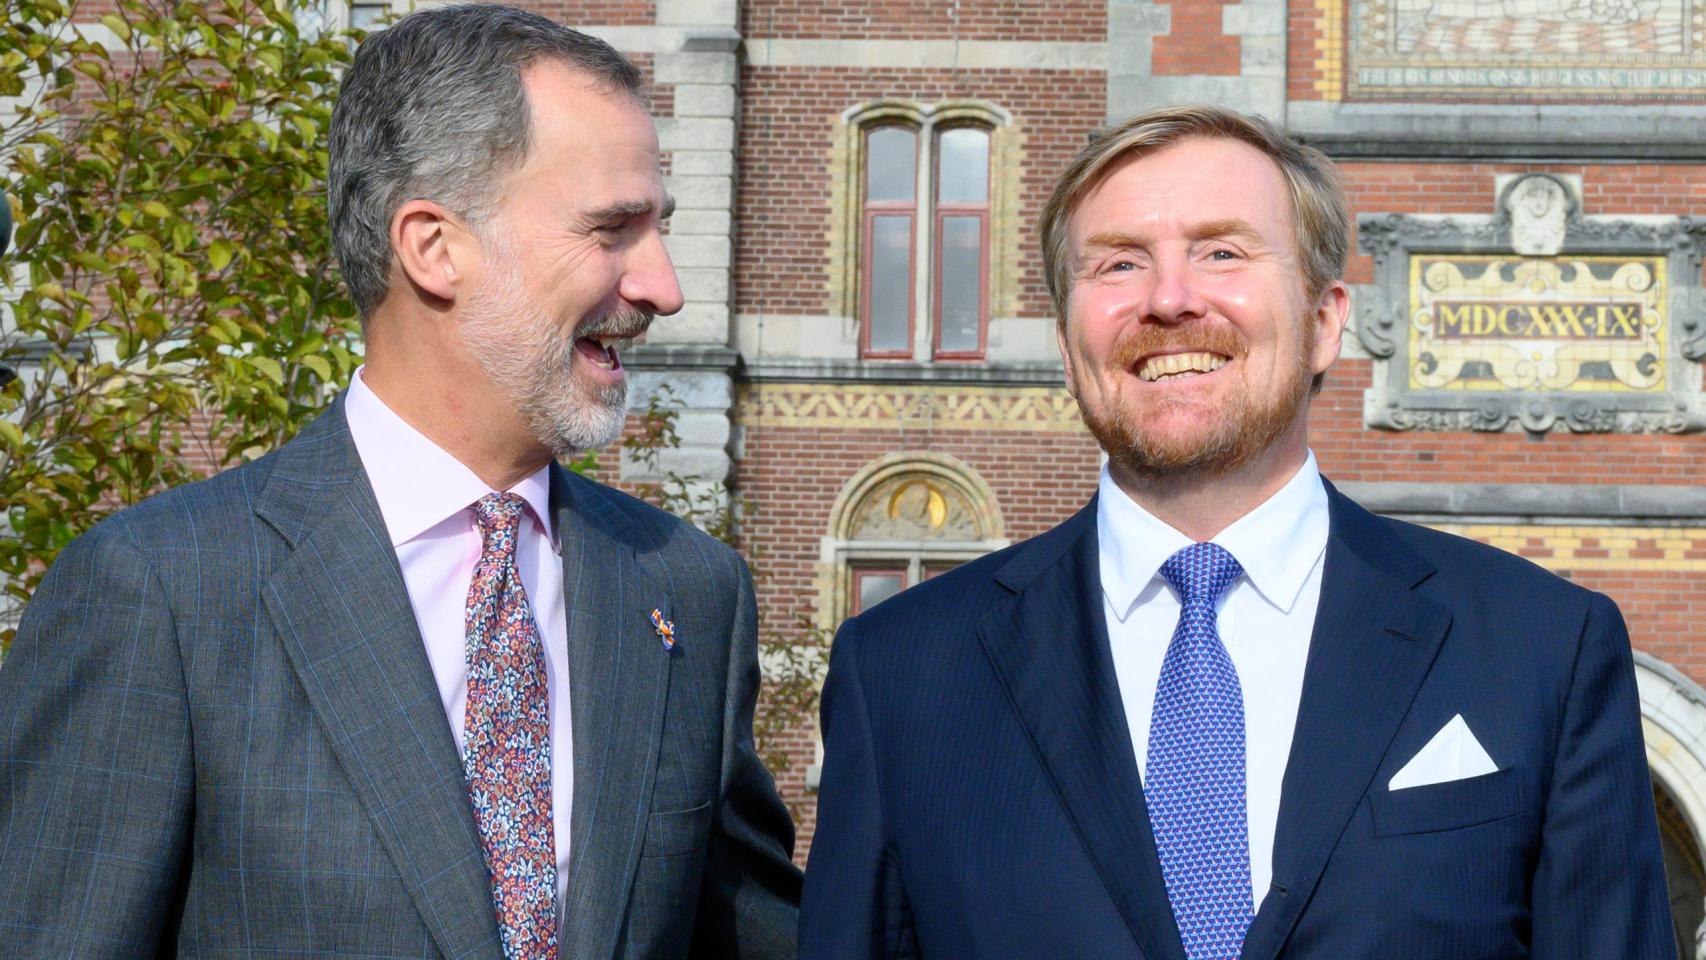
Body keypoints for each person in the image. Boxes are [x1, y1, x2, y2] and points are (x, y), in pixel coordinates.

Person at [0, 6, 801, 957]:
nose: (663, 287)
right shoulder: (164, 594)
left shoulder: (686, 592)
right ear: (433, 247)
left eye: (657, 230)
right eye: (612, 230)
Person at [799, 105, 1671, 959]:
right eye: (1118, 264)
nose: (1170, 299)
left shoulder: (1539, 648)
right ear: (1068, 347)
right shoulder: (903, 672)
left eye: (1222, 251)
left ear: (1326, 322)